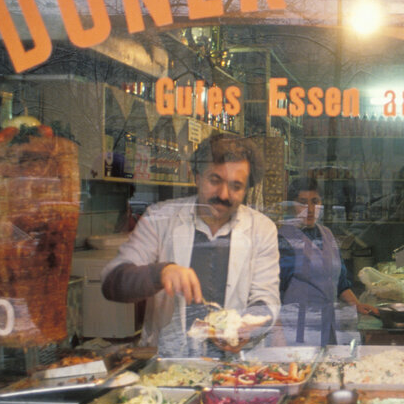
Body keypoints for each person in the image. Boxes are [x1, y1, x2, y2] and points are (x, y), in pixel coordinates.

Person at [101, 133, 280, 357]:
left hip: (232, 369)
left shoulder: (262, 229)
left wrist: (248, 327)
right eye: (215, 180)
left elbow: (267, 297)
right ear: (196, 176)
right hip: (168, 367)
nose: (224, 194)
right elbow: (112, 283)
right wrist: (161, 273)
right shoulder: (160, 218)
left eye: (236, 186)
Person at [276, 177, 378, 346]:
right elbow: (274, 295)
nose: (310, 209)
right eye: (302, 202)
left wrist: (357, 305)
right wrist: (277, 336)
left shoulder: (327, 234)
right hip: (298, 332)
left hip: (329, 327)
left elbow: (340, 282)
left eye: (315, 201)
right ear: (291, 205)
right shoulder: (284, 241)